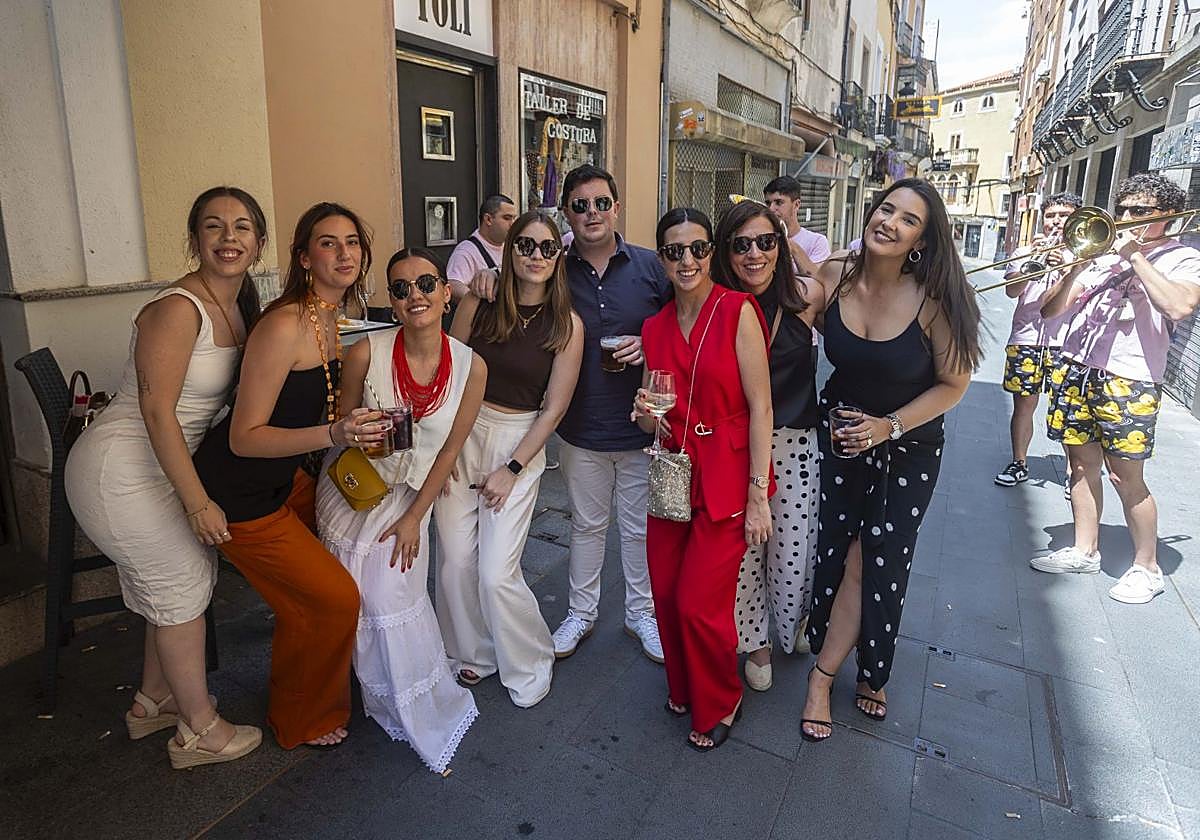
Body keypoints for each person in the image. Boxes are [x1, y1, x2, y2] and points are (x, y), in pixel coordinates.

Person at [65, 186, 265, 769]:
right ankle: (198, 731)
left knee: (183, 582)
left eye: (242, 227)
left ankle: (154, 703)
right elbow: (156, 410)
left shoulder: (235, 301)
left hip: (159, 465)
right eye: (214, 226)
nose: (229, 238)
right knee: (179, 585)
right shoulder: (180, 307)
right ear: (195, 238)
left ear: (257, 241)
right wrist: (199, 501)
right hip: (121, 468)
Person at [193, 202, 389, 749]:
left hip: (283, 481)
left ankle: (332, 657)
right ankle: (304, 717)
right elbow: (244, 436)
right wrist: (336, 435)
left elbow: (322, 403)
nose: (344, 253)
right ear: (304, 257)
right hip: (239, 494)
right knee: (333, 598)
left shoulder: (329, 316)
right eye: (328, 243)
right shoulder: (283, 325)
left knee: (350, 543)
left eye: (352, 242)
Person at [799, 178, 982, 742]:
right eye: (886, 209)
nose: (890, 222)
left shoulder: (934, 300)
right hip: (845, 438)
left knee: (872, 557)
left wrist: (890, 426)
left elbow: (954, 384)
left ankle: (829, 678)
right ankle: (855, 660)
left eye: (909, 220)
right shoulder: (833, 276)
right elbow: (776, 322)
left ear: (921, 241)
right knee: (833, 550)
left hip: (908, 444)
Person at [316, 247, 486, 772]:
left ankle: (402, 698)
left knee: (391, 587)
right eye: (401, 288)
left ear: (445, 292)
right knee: (352, 586)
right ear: (390, 301)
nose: (416, 296)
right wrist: (365, 430)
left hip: (412, 494)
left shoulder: (471, 367)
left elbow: (453, 449)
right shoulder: (367, 351)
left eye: (426, 284)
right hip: (357, 485)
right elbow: (341, 425)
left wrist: (415, 517)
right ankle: (361, 684)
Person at [634, 207, 774, 751]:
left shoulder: (737, 310)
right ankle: (686, 685)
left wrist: (758, 493)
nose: (686, 259)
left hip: (728, 477)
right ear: (662, 258)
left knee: (699, 602)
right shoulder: (654, 326)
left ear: (710, 252)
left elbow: (761, 406)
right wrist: (643, 411)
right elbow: (654, 412)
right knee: (665, 593)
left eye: (696, 248)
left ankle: (722, 698)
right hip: (672, 473)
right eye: (674, 251)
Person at [435, 209, 584, 707]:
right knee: (456, 560)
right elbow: (448, 373)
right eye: (526, 245)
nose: (536, 255)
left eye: (546, 247)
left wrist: (513, 468)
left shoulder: (567, 323)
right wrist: (447, 446)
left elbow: (554, 407)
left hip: (518, 441)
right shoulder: (480, 300)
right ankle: (472, 652)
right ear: (510, 249)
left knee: (497, 570)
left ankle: (530, 657)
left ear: (558, 256)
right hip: (463, 433)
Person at [1034, 173, 1200, 604]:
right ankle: (1085, 549)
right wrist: (1075, 265)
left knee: (1126, 476)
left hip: (1130, 378)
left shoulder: (1181, 258)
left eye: (1139, 212)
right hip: (1079, 367)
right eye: (1122, 209)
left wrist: (1136, 258)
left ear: (1168, 215)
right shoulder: (1102, 256)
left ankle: (1147, 567)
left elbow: (1179, 306)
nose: (1126, 218)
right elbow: (1050, 312)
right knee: (1079, 466)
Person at [711, 200, 824, 692]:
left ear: (781, 245)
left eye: (766, 241)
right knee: (744, 555)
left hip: (795, 441)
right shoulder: (716, 303)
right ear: (726, 252)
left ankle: (794, 617)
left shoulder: (807, 295)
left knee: (795, 552)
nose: (754, 254)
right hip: (735, 447)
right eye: (741, 244)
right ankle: (755, 642)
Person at [994, 192, 1081, 488]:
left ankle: (1074, 472)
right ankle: (1019, 462)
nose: (1056, 222)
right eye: (1051, 215)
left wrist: (1067, 266)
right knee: (1023, 407)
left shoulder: (1085, 253)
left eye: (1064, 215)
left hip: (1066, 343)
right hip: (1026, 339)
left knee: (1067, 409)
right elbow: (1012, 291)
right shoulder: (1025, 250)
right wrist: (1035, 261)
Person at [446, 195, 518, 301]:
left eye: (514, 218)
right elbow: (452, 284)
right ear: (488, 219)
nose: (512, 224)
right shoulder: (466, 251)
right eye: (507, 218)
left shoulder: (511, 248)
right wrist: (478, 305)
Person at [764, 175, 832, 279]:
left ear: (796, 205)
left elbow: (818, 280)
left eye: (779, 202)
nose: (771, 209)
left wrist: (792, 248)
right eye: (768, 203)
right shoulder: (762, 240)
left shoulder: (817, 241)